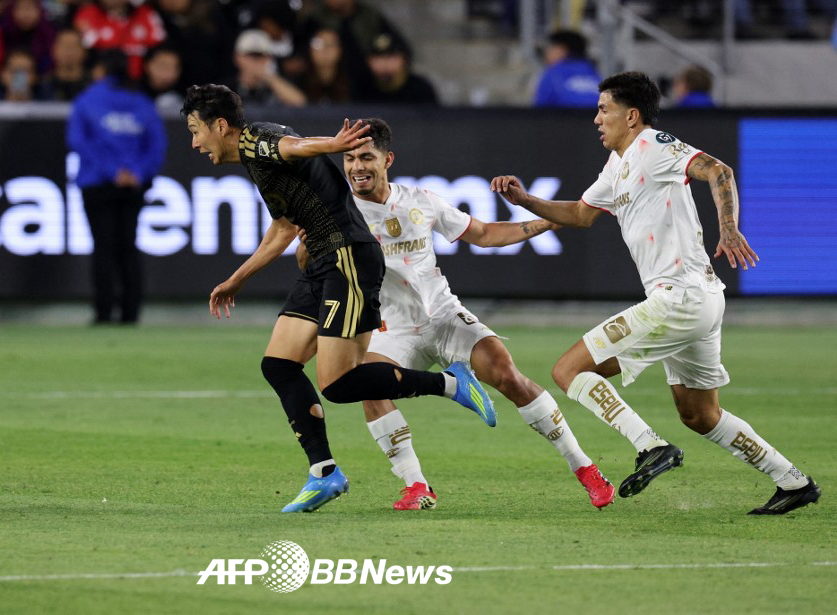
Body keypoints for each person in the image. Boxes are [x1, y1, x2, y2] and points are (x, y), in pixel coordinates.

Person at [491, 71, 820, 515]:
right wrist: (526, 199)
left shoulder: (653, 145)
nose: (596, 119)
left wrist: (728, 226)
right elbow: (580, 215)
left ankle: (649, 445)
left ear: (631, 115)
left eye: (603, 109)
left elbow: (717, 170)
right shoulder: (618, 164)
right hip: (700, 301)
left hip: (679, 298)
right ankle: (792, 480)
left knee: (568, 370)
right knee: (699, 414)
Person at [181, 84, 495, 513]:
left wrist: (332, 144)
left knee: (338, 384)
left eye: (196, 131)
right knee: (278, 364)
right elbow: (284, 228)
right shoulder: (257, 162)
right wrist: (238, 278)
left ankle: (451, 383)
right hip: (325, 261)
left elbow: (294, 146)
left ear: (221, 126)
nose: (195, 142)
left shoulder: (257, 140)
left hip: (348, 255)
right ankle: (324, 473)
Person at [332, 118, 614, 510]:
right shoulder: (338, 212)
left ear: (387, 159)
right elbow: (305, 259)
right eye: (349, 159)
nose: (356, 167)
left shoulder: (420, 200)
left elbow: (485, 235)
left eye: (366, 157)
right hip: (390, 327)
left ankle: (585, 468)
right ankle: (417, 486)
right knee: (368, 385)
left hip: (445, 317)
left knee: (507, 375)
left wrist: (550, 220)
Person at [68, 50, 167, 324]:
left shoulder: (88, 100)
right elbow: (156, 146)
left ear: (100, 69)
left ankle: (103, 312)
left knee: (103, 246)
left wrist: (112, 171)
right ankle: (130, 313)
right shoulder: (142, 102)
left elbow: (78, 142)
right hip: (133, 186)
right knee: (128, 245)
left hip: (97, 183)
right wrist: (136, 172)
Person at [73, 0, 166, 79]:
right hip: (100, 81)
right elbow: (83, 50)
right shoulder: (88, 14)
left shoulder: (146, 13)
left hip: (142, 83)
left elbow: (160, 48)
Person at [227, 28, 305, 107]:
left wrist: (269, 78)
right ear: (237, 58)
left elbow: (300, 104)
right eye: (250, 55)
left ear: (269, 58)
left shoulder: (275, 87)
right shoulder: (227, 88)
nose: (255, 60)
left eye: (260, 55)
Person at [359, 30, 436, 105]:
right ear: (368, 61)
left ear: (404, 59)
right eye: (378, 58)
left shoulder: (420, 89)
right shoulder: (363, 88)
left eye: (391, 57)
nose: (384, 64)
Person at [533, 29, 600, 108]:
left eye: (550, 48)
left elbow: (538, 113)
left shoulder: (552, 75)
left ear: (562, 50)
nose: (546, 53)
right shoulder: (596, 76)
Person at [37, 27, 88, 101]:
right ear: (54, 50)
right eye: (64, 46)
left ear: (84, 51)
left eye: (73, 46)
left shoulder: (93, 86)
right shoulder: (42, 86)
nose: (68, 51)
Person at [141, 42, 183, 115]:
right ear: (148, 66)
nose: (170, 73)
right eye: (164, 66)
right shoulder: (132, 93)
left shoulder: (187, 99)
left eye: (175, 67)